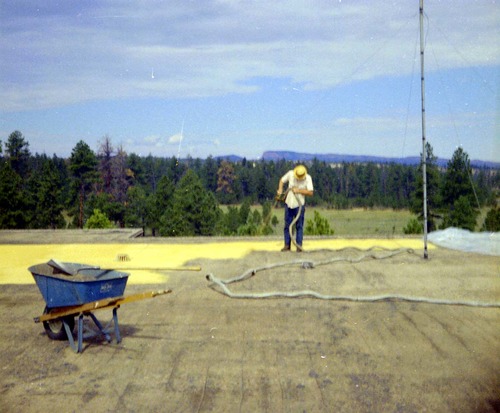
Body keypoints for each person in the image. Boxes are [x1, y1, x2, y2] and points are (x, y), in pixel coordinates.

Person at [276, 164, 314, 252]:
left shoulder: (308, 178)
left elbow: (310, 192)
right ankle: (287, 245)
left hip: (299, 205)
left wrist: (299, 191)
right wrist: (280, 190)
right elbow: (281, 180)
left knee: (299, 226)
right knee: (287, 225)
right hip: (289, 203)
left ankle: (299, 246)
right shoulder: (290, 174)